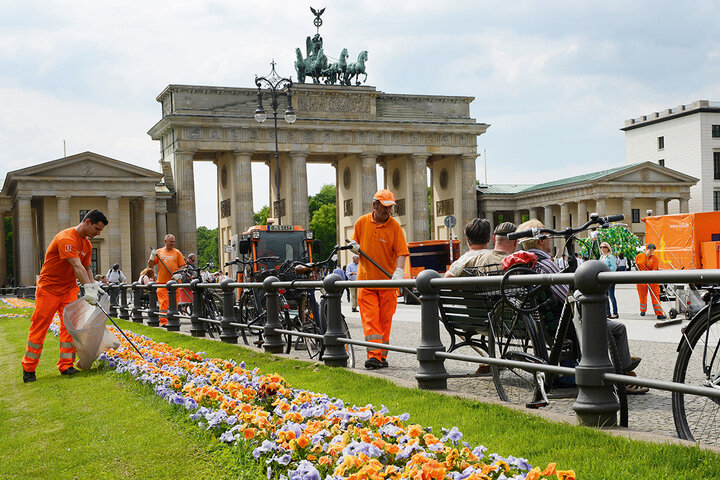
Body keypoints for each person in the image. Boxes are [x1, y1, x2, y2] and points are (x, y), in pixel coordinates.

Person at [517, 219, 647, 394]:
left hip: (548, 322)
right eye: (548, 237)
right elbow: (566, 296)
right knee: (618, 328)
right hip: (565, 324)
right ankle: (623, 374)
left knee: (611, 326)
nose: (550, 240)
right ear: (540, 240)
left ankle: (623, 364)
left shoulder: (529, 262)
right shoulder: (546, 263)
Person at [21, 209, 108, 383]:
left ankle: (66, 365)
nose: (98, 233)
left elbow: (87, 268)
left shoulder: (87, 245)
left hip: (68, 289)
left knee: (70, 327)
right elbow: (76, 266)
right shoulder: (66, 238)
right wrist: (88, 289)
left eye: (100, 231)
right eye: (97, 229)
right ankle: (28, 368)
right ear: (87, 222)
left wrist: (94, 287)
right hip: (48, 289)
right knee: (40, 326)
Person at [349, 189, 409, 369]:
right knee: (371, 319)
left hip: (387, 282)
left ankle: (382, 355)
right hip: (366, 281)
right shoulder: (361, 222)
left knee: (385, 320)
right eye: (384, 207)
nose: (388, 211)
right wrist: (354, 246)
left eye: (390, 208)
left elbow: (402, 252)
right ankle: (374, 355)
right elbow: (354, 241)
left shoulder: (395, 227)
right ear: (374, 205)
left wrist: (399, 272)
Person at [148, 234, 186, 326]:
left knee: (174, 303)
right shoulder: (159, 252)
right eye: (171, 242)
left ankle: (173, 320)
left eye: (174, 242)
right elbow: (150, 266)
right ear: (165, 241)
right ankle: (164, 322)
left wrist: (179, 274)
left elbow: (183, 265)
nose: (173, 244)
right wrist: (152, 257)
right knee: (163, 303)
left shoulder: (177, 252)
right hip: (162, 283)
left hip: (175, 283)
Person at [635, 244, 666, 320]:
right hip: (641, 279)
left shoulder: (655, 259)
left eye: (653, 251)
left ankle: (659, 313)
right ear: (647, 249)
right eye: (650, 250)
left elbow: (654, 270)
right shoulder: (639, 256)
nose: (651, 252)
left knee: (655, 296)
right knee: (642, 295)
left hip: (652, 280)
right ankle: (642, 310)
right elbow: (637, 266)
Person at [600, 242, 619, 319]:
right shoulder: (601, 257)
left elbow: (614, 267)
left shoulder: (610, 257)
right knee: (605, 296)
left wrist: (605, 270)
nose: (602, 248)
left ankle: (615, 313)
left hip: (610, 278)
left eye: (604, 247)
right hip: (603, 279)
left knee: (611, 296)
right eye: (601, 247)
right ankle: (607, 313)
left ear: (607, 248)